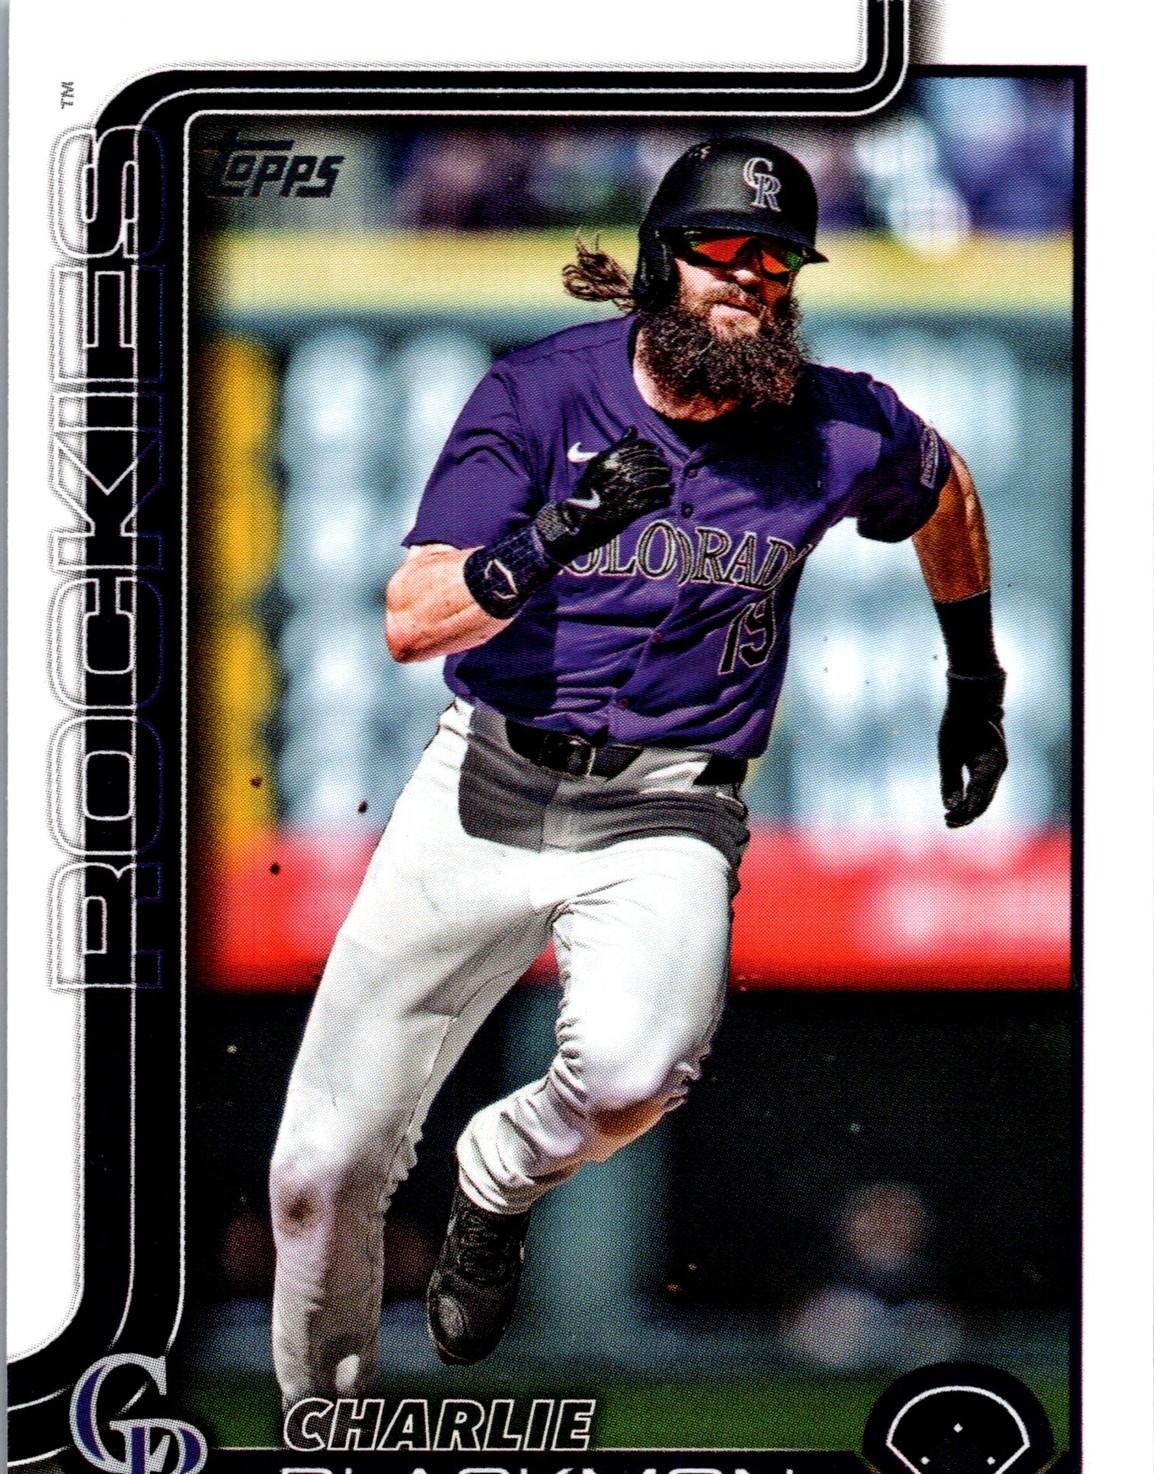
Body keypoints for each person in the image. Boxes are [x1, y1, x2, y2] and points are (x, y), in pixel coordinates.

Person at [268, 135, 1007, 1401]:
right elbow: (410, 618)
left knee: (630, 1076)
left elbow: (942, 491)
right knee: (314, 1175)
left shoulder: (832, 423)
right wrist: (556, 532)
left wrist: (973, 683)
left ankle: (497, 1179)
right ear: (663, 260)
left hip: (669, 805)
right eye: (724, 250)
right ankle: (319, 1450)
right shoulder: (540, 393)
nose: (751, 278)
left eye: (777, 259)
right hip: (484, 787)